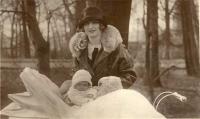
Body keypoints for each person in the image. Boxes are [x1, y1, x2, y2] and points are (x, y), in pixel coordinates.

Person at [60, 6, 137, 95]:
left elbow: (130, 75)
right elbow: (75, 75)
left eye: (94, 22)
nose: (90, 27)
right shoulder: (79, 51)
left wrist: (111, 85)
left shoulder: (116, 48)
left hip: (111, 98)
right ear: (83, 27)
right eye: (87, 23)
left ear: (101, 25)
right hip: (85, 99)